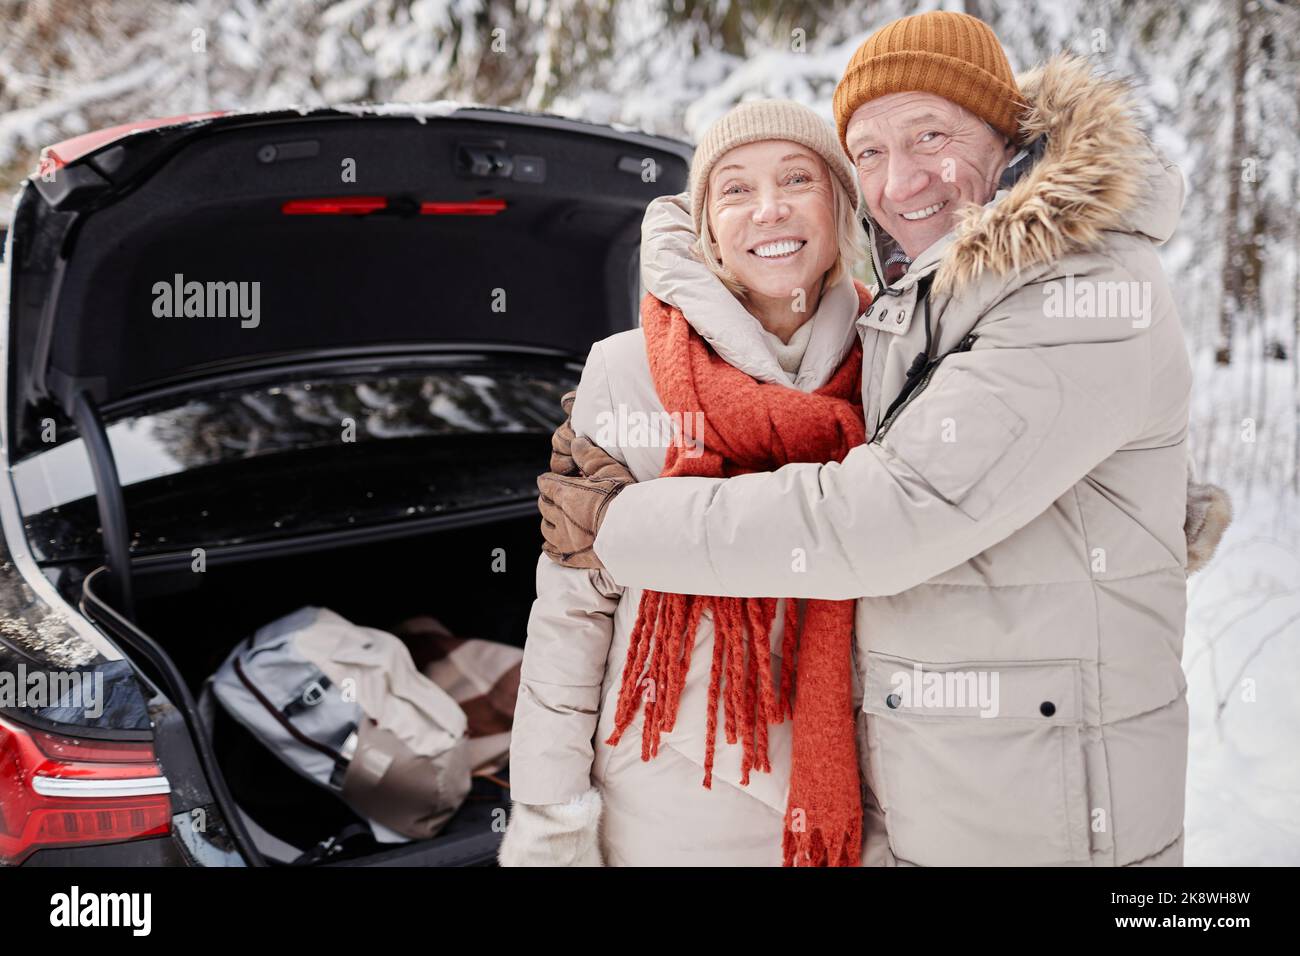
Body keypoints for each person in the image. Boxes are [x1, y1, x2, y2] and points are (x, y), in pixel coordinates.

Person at [535, 11, 1233, 866]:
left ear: (1006, 135)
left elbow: (888, 514)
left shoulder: (1071, 283)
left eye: (930, 135)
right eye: (868, 152)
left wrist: (618, 527)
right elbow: (568, 624)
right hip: (918, 796)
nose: (901, 182)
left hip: (1041, 807)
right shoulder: (923, 308)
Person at [499, 99, 882, 866]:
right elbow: (572, 606)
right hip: (668, 789)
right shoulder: (629, 367)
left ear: (839, 204)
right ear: (707, 225)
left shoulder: (893, 362)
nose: (767, 208)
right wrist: (550, 811)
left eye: (796, 178)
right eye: (734, 189)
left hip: (851, 786)